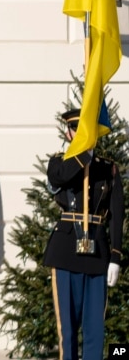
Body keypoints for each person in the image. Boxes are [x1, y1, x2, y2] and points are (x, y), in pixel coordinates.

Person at [43, 108, 124, 360]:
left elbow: (118, 214)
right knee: (66, 327)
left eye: (86, 127)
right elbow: (62, 177)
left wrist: (116, 256)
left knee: (94, 328)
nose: (81, 132)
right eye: (76, 128)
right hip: (66, 250)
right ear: (68, 132)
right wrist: (83, 154)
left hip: (97, 251)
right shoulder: (59, 162)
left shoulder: (108, 168)